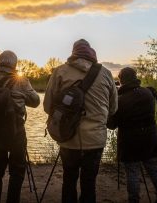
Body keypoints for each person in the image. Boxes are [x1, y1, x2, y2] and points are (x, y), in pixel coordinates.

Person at [44, 39, 118, 203]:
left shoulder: (60, 72)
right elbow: (113, 109)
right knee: (89, 183)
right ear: (91, 52)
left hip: (68, 138)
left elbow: (47, 106)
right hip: (95, 140)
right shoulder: (106, 74)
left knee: (69, 181)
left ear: (73, 52)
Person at [0, 50, 40, 203]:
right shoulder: (21, 81)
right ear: (14, 65)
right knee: (17, 170)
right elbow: (36, 101)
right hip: (16, 131)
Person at [107, 67, 157, 203]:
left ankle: (134, 200)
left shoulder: (120, 100)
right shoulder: (148, 93)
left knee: (132, 171)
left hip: (130, 139)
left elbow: (111, 125)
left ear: (121, 80)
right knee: (153, 168)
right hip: (150, 136)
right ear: (136, 77)